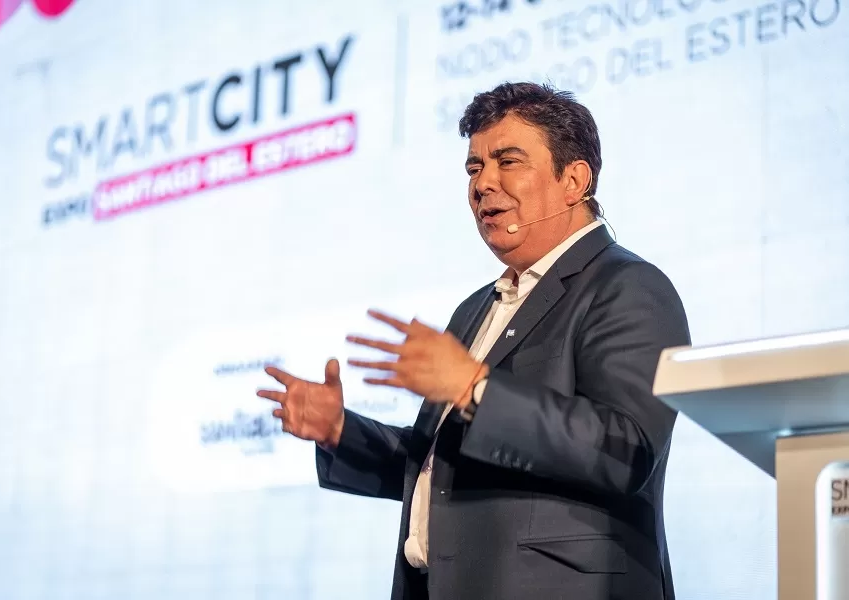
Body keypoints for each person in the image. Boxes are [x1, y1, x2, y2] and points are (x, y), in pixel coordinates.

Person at [257, 82, 690, 600]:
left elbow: (624, 452)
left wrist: (474, 388)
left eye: (508, 161)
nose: (483, 183)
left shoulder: (627, 286)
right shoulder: (476, 308)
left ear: (574, 180)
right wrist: (340, 432)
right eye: (474, 168)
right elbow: (444, 471)